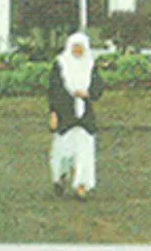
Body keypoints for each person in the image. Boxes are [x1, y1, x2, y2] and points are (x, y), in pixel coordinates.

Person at [49, 32, 105, 200]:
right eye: (75, 47)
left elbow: (98, 87)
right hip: (64, 113)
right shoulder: (60, 64)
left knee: (85, 150)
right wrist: (53, 113)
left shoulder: (90, 65)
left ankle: (82, 185)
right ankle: (60, 177)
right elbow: (53, 90)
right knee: (63, 151)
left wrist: (88, 93)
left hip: (85, 116)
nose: (78, 50)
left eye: (81, 47)